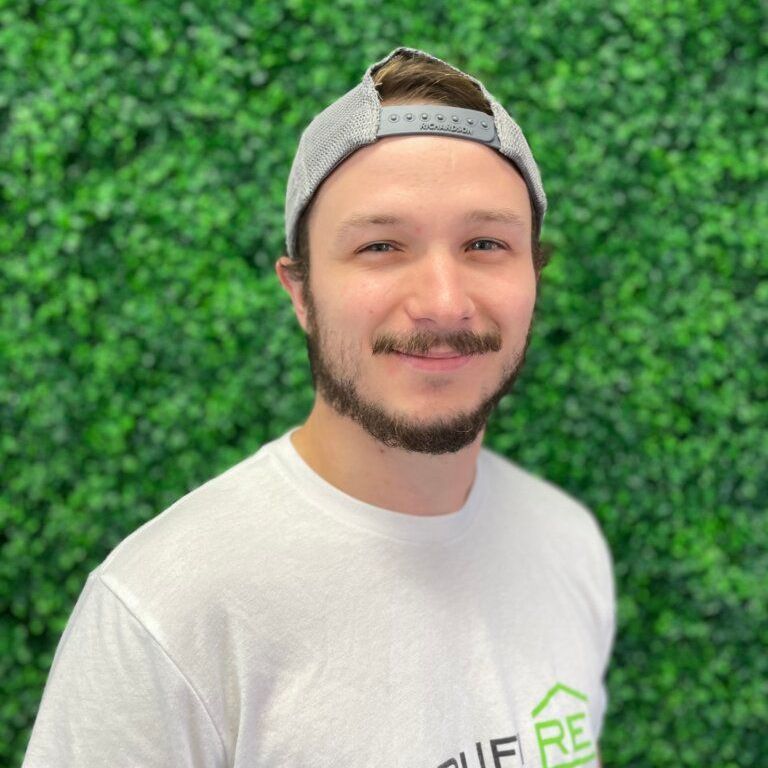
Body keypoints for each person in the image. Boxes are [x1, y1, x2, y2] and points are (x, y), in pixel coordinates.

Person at [23, 46, 615, 767]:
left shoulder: (567, 543)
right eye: (381, 246)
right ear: (300, 292)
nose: (443, 302)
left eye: (485, 243)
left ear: (533, 276)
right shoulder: (166, 614)